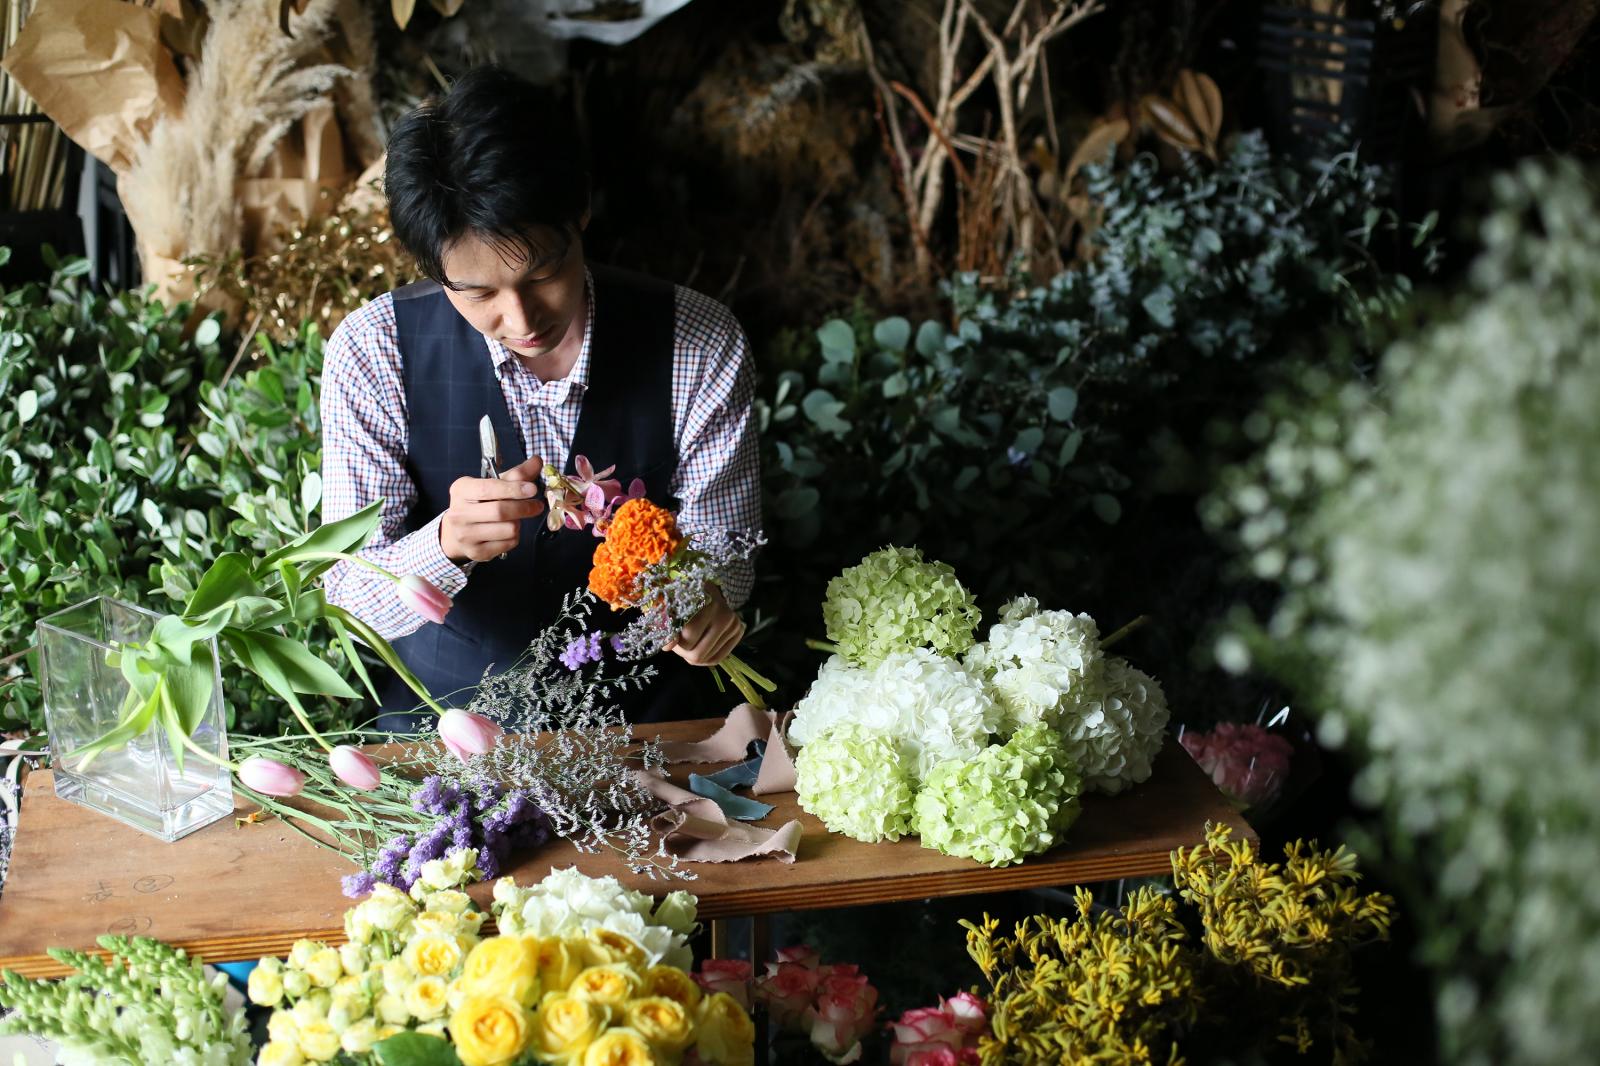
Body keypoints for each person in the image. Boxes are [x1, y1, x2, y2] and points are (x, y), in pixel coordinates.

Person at [318, 65, 760, 729]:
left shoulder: (697, 342)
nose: (522, 320)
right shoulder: (373, 351)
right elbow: (347, 595)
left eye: (544, 273)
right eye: (479, 293)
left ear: (579, 211)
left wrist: (701, 604)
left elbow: (726, 554)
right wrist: (442, 544)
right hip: (446, 731)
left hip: (647, 727)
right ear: (432, 268)